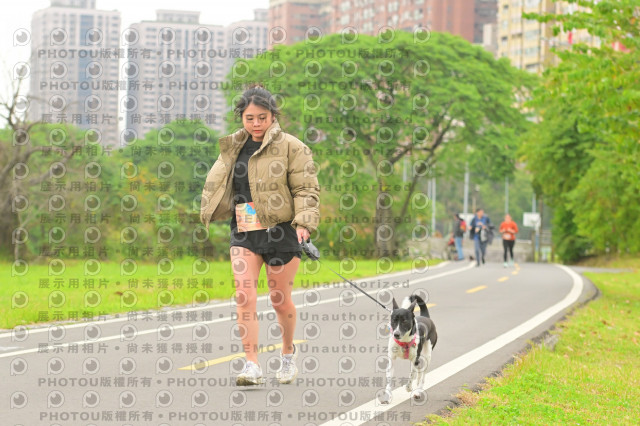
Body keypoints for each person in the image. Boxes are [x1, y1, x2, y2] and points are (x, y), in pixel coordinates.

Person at [200, 85, 320, 386]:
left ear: (273, 116)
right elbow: (218, 184)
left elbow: (306, 189)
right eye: (250, 118)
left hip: (282, 231)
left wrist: (304, 223)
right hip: (244, 229)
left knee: (280, 300)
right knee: (244, 295)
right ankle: (251, 364)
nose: (256, 123)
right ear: (241, 117)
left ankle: (288, 355)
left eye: (262, 117)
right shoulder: (233, 146)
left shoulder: (293, 147)